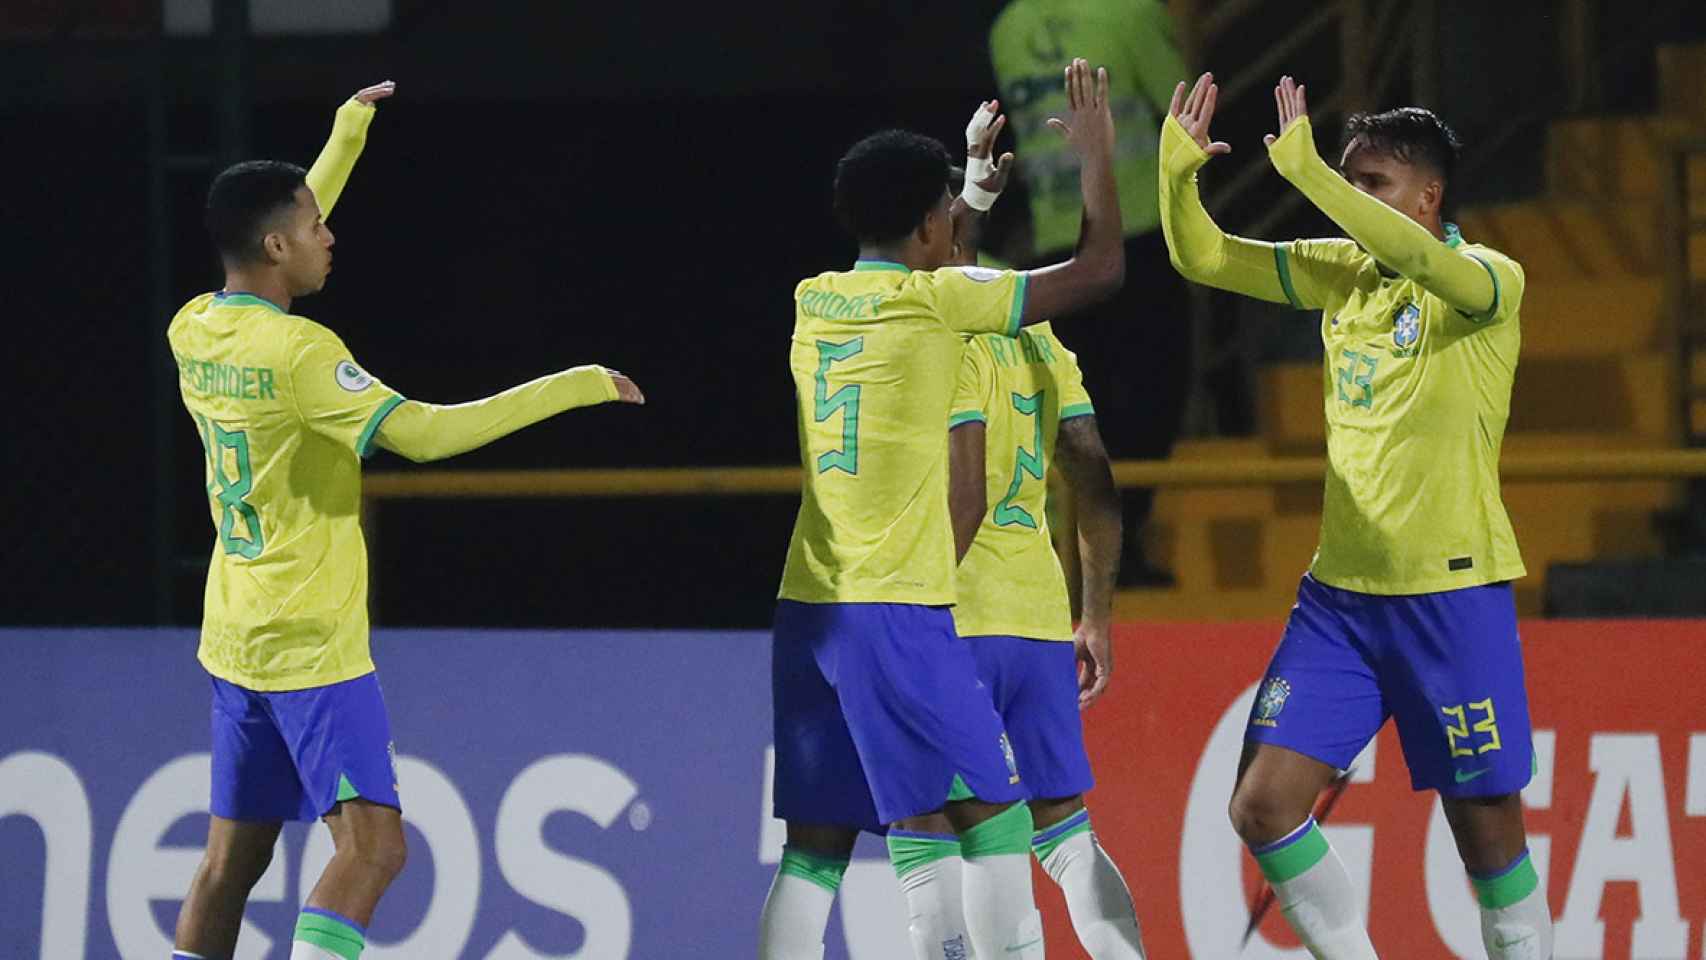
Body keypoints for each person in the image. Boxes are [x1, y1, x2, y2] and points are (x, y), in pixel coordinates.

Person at [168, 82, 643, 960]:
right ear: (277, 244)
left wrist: (345, 139)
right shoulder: (303, 354)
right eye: (315, 226)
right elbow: (424, 435)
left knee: (228, 865)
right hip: (312, 642)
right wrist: (574, 386)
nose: (329, 233)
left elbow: (273, 236)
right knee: (375, 848)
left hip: (235, 635)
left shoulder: (194, 328)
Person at [1159, 72, 1548, 959]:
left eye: (1372, 184)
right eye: (1349, 180)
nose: (1352, 201)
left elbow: (1419, 260)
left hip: (1450, 599)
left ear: (1429, 194)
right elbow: (1206, 258)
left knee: (1489, 844)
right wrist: (1175, 180)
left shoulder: (1487, 280)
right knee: (1260, 806)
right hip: (1340, 602)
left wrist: (1310, 179)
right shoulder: (1342, 275)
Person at [758, 58, 1123, 960]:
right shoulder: (939, 306)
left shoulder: (811, 301)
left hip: (809, 606)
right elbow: (1102, 269)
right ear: (931, 224)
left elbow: (921, 245)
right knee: (999, 822)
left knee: (813, 851)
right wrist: (1097, 158)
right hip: (900, 606)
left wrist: (967, 190)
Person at [943, 305, 1144, 958]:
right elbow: (1094, 477)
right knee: (1064, 830)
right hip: (1035, 622)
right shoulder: (1040, 341)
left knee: (959, 836)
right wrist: (1097, 617)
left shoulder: (925, 332)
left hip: (952, 616)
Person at [991, 0, 1193, 585]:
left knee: (1078, 408)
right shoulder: (1130, 13)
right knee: (1155, 396)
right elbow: (1186, 112)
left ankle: (1079, 559)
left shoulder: (1009, 29)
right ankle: (1122, 556)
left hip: (1058, 243)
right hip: (1140, 236)